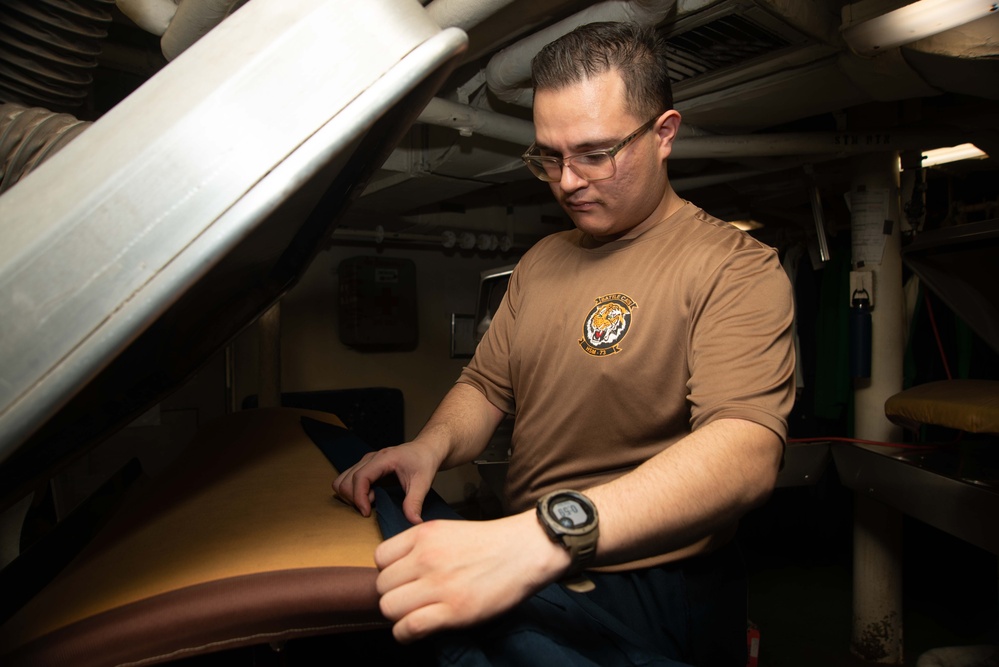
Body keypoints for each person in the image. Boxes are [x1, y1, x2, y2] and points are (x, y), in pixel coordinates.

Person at [333, 21, 795, 666]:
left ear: (664, 133)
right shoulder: (544, 259)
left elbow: (745, 455)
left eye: (594, 153)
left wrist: (545, 534)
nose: (567, 181)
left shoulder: (733, 266)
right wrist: (427, 447)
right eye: (548, 156)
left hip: (651, 581)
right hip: (527, 552)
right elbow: (487, 386)